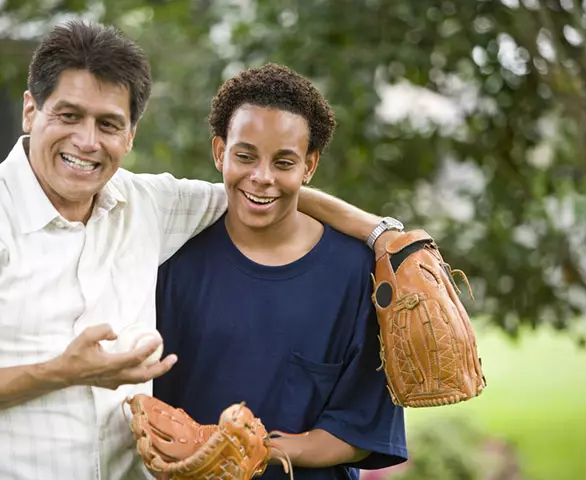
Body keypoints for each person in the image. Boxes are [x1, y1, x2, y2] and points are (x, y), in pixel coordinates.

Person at [0, 21, 403, 480]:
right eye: (69, 115)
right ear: (31, 110)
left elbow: (262, 188)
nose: (86, 141)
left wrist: (385, 236)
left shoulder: (147, 205)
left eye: (108, 123)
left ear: (131, 133)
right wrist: (61, 373)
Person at [154, 64, 407, 479]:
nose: (262, 178)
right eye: (245, 156)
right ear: (220, 152)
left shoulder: (358, 275)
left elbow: (362, 429)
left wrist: (254, 449)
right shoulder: (173, 260)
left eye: (284, 162)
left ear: (309, 166)